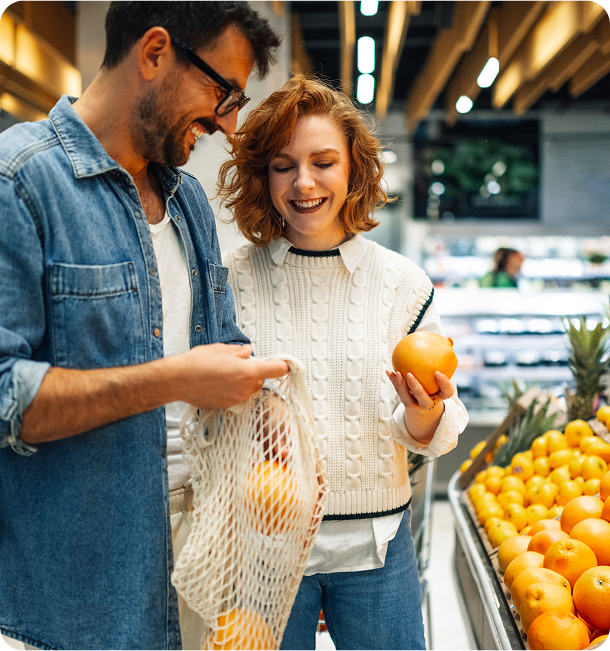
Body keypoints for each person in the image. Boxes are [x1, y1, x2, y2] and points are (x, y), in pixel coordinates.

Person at [0, 2, 289, 650]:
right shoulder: (18, 182)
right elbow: (3, 397)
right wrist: (171, 380)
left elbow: (218, 341)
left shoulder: (187, 200)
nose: (230, 124)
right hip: (76, 607)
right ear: (155, 52)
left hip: (198, 577)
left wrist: (258, 400)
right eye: (226, 93)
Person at [218, 74, 469, 651]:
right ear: (263, 175)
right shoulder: (229, 279)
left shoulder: (402, 285)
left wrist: (424, 411)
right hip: (263, 548)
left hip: (375, 546)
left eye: (323, 162)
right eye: (283, 165)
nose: (304, 182)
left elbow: (429, 430)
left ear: (354, 169)